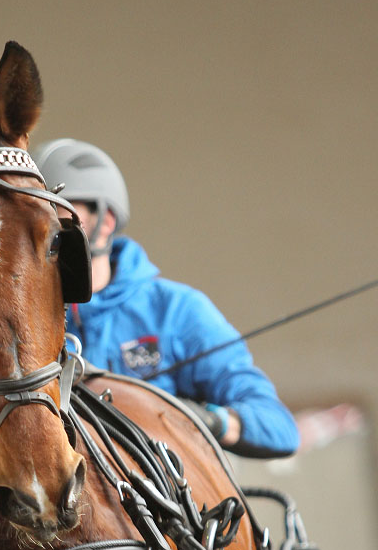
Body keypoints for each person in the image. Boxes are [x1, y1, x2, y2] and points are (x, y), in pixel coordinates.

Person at [33, 139, 300, 458]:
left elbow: (278, 426)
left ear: (106, 221)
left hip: (153, 499)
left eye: (59, 214)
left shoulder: (176, 311)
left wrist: (208, 420)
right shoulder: (17, 318)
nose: (46, 231)